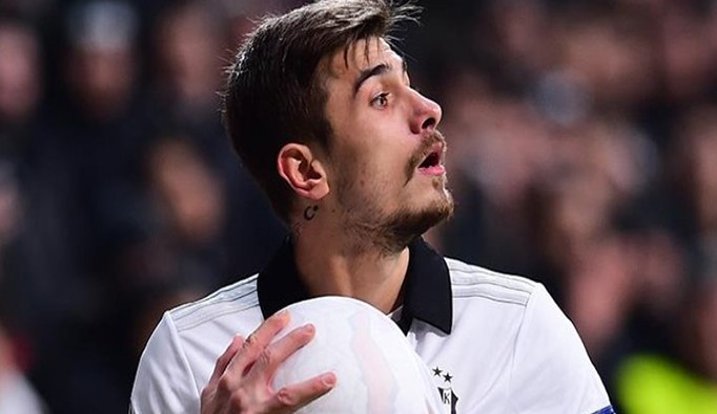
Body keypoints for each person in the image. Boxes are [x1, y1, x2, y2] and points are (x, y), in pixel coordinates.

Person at [130, 1, 614, 413]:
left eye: (410, 83)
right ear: (306, 172)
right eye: (381, 98)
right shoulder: (192, 357)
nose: (429, 109)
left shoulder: (520, 329)